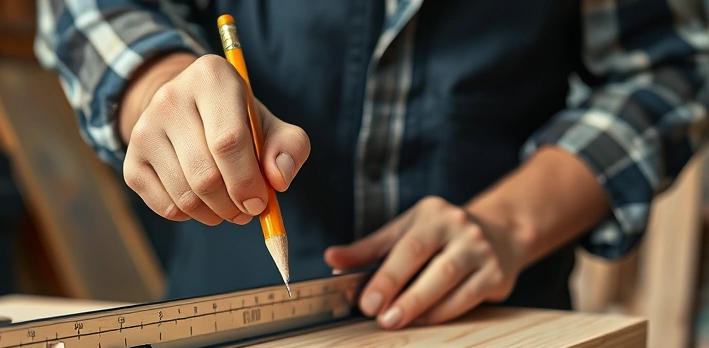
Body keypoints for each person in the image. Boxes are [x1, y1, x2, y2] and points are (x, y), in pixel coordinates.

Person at [35, 1, 708, 330]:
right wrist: (163, 84)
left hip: (493, 330)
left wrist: (509, 223)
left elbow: (674, 68)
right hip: (223, 325)